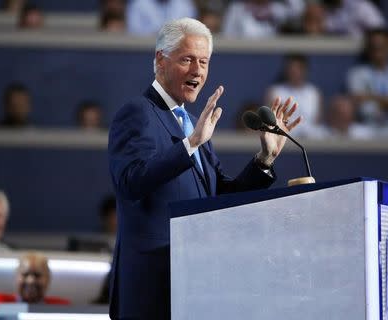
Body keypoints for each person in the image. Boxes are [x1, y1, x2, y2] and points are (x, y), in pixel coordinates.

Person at [108, 17, 301, 319]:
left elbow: (221, 198)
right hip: (152, 290)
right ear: (161, 60)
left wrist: (265, 158)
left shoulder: (192, 125)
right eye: (187, 60)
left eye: (204, 62)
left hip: (194, 285)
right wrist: (190, 144)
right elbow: (130, 182)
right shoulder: (139, 113)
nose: (198, 71)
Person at [266, 54, 322, 138]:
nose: (294, 72)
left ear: (305, 70)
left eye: (298, 68)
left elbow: (317, 121)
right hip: (283, 137)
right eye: (291, 68)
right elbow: (269, 121)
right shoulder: (275, 91)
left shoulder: (314, 92)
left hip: (310, 138)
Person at [0, 252, 70, 304]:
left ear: (48, 279)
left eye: (37, 275)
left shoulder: (61, 307)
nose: (30, 281)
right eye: (25, 275)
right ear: (16, 277)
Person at [126, 0, 197, 35]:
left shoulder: (185, 5)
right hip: (146, 50)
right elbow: (133, 31)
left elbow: (191, 30)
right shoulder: (139, 4)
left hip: (178, 50)